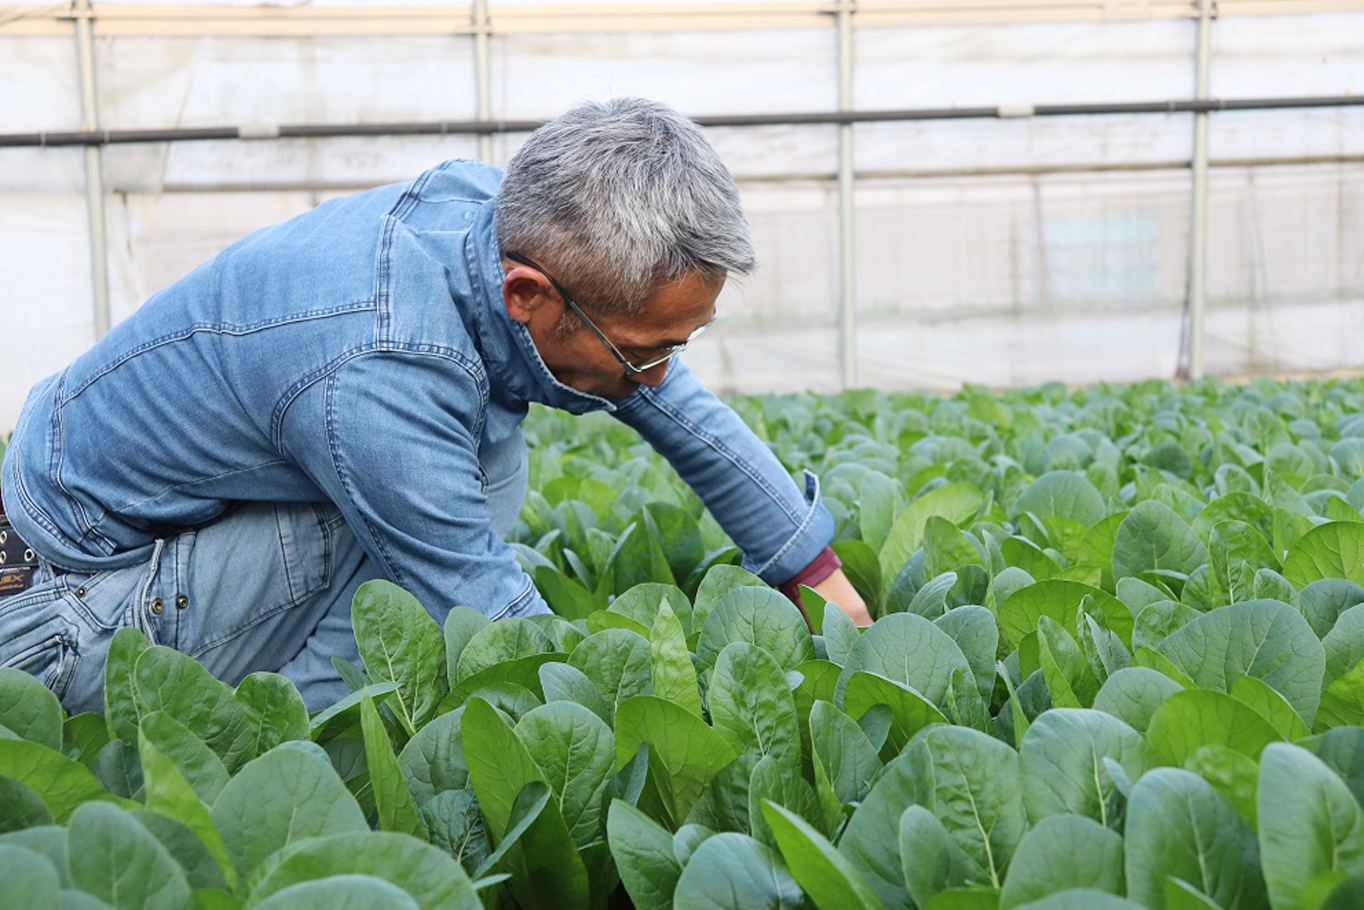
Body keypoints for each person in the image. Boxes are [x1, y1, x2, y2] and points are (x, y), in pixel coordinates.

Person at [0, 98, 869, 714]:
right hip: (61, 615)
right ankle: (286, 741)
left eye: (678, 345)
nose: (657, 378)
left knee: (465, 472)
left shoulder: (494, 222)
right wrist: (668, 718)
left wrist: (809, 568)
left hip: (121, 543)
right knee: (465, 489)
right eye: (643, 352)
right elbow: (479, 594)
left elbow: (670, 399)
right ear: (530, 292)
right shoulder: (385, 361)